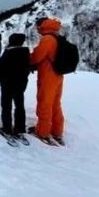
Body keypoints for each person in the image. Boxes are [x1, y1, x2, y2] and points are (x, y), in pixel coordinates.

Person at [29, 17, 66, 145]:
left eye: (38, 28)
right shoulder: (57, 37)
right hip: (58, 75)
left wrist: (27, 58)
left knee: (44, 103)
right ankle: (57, 131)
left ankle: (42, 132)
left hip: (48, 75)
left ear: (42, 26)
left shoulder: (47, 39)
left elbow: (37, 57)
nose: (37, 30)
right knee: (55, 104)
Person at [0, 33, 30, 138]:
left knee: (6, 106)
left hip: (7, 84)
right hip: (21, 84)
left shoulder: (7, 53)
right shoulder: (25, 53)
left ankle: (7, 128)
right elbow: (28, 68)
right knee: (19, 105)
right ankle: (20, 128)